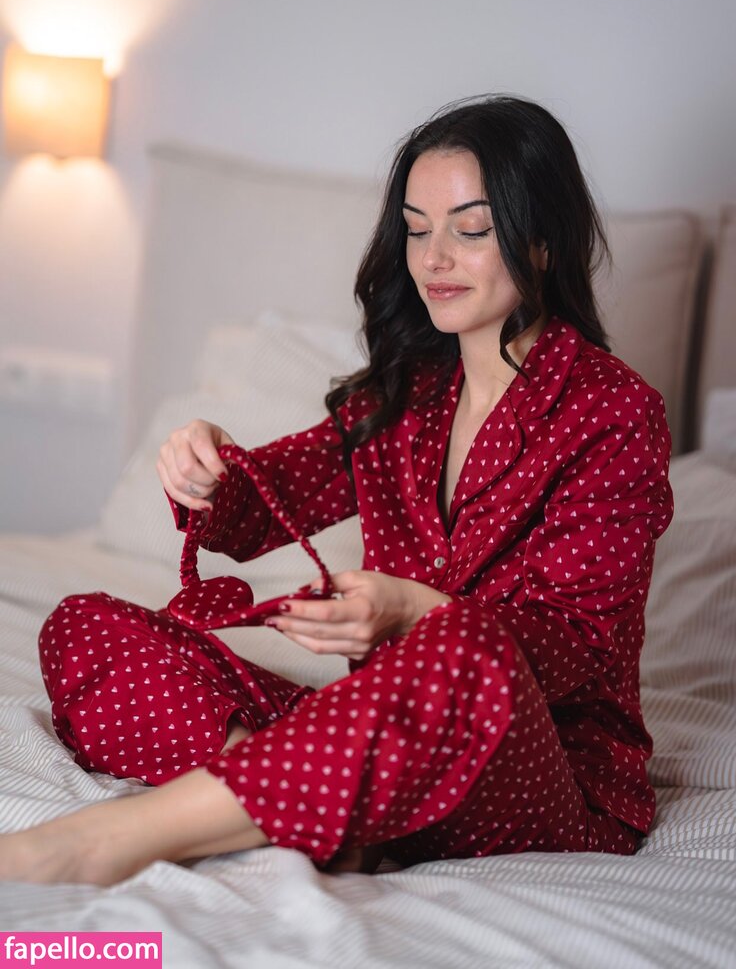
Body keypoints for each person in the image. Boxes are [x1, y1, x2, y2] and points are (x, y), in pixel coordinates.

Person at [0, 95, 673, 885]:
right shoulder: (404, 393)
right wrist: (210, 470)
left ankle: (96, 842)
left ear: (542, 240)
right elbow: (265, 502)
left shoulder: (614, 411)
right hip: (376, 754)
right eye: (416, 230)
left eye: (470, 230)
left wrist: (410, 610)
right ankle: (300, 816)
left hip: (535, 774)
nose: (433, 259)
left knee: (464, 644)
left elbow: (578, 647)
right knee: (83, 627)